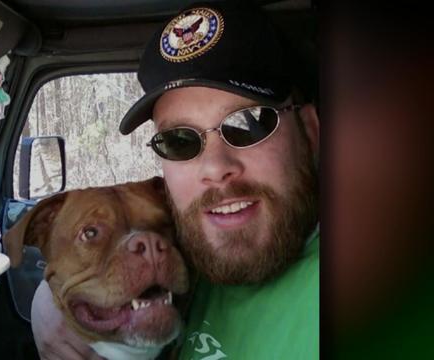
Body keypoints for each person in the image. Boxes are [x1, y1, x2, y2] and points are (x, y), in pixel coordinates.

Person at [31, 2, 319, 359]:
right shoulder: (198, 239)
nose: (214, 168)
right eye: (181, 141)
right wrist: (52, 301)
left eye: (249, 123)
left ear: (310, 131)